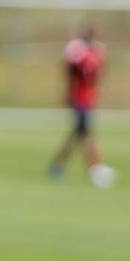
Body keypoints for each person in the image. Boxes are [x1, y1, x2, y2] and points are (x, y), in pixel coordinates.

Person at [49, 24, 116, 188]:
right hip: (79, 99)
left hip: (88, 99)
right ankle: (95, 168)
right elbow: (70, 71)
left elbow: (100, 72)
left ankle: (58, 165)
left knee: (79, 133)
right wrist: (68, 93)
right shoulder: (77, 52)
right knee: (85, 132)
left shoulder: (96, 52)